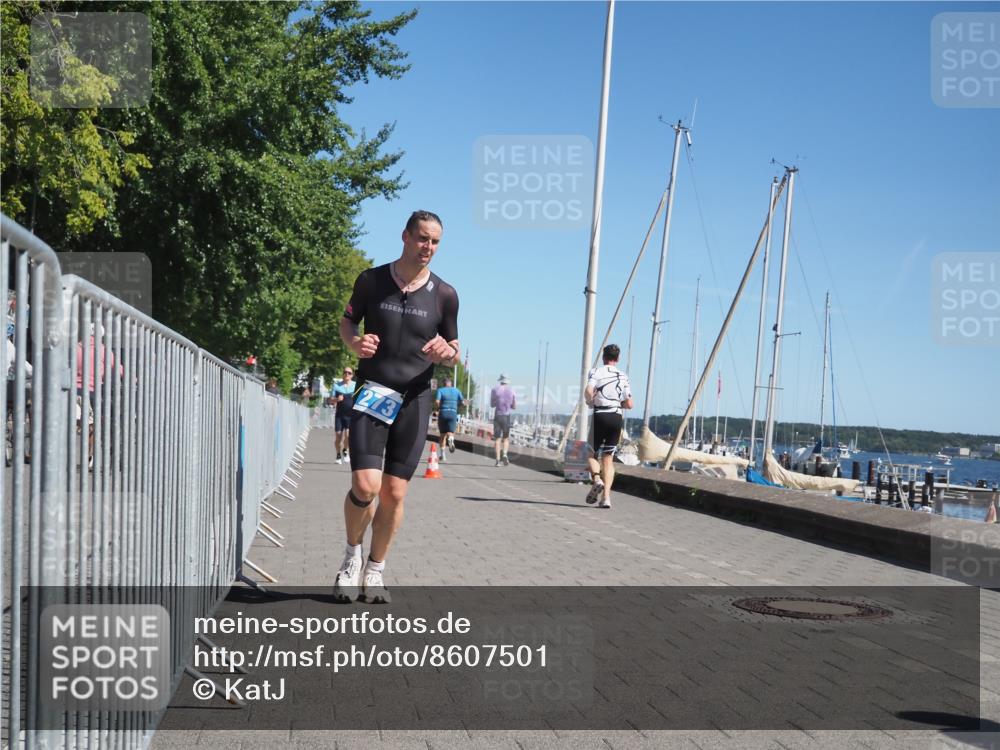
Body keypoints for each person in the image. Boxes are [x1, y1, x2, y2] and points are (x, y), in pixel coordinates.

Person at [334, 210, 459, 604]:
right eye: (423, 239)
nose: (429, 248)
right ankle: (351, 557)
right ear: (405, 236)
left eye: (435, 242)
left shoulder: (445, 294)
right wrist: (354, 344)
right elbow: (346, 323)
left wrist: (447, 352)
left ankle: (375, 570)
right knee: (365, 485)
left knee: (394, 492)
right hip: (373, 391)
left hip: (415, 399)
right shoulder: (371, 280)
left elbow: (454, 349)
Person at [584, 344, 633, 509]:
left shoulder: (596, 371)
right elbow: (629, 403)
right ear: (617, 359)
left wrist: (590, 402)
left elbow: (588, 391)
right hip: (616, 417)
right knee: (608, 458)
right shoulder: (623, 376)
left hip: (600, 416)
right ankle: (606, 498)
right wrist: (619, 403)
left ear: (603, 357)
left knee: (590, 453)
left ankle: (597, 479)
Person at [434, 377, 464, 461]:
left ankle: (443, 455)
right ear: (451, 383)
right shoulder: (457, 391)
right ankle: (451, 439)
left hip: (443, 412)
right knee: (450, 432)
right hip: (453, 413)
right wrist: (459, 406)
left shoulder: (440, 390)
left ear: (444, 383)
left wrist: (438, 408)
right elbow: (463, 402)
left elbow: (437, 401)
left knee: (442, 435)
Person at [331, 366, 356, 464]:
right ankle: (338, 454)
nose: (347, 374)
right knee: (338, 437)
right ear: (342, 374)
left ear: (352, 375)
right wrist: (337, 400)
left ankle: (345, 451)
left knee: (349, 436)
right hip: (340, 415)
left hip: (350, 415)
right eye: (345, 372)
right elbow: (330, 399)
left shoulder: (355, 386)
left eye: (349, 373)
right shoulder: (337, 386)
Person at [490, 374, 516, 467]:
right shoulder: (512, 390)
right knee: (506, 438)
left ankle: (497, 461)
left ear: (500, 380)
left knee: (497, 439)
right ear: (507, 381)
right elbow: (514, 406)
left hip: (497, 416)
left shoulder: (494, 390)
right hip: (506, 416)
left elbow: (492, 405)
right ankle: (504, 454)